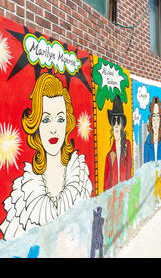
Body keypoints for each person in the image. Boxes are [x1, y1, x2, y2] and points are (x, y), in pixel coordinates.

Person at [0, 73, 92, 240]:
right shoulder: (23, 194)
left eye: (60, 119)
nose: (54, 129)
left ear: (67, 124)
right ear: (35, 124)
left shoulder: (79, 175)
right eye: (46, 119)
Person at [103, 95, 132, 191]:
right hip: (113, 196)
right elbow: (106, 183)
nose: (115, 125)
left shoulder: (127, 146)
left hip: (125, 192)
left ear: (122, 125)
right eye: (113, 121)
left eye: (118, 121)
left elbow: (129, 171)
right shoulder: (110, 155)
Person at [144, 97, 161, 162]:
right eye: (154, 116)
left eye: (158, 116)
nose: (156, 120)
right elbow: (145, 165)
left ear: (160, 119)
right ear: (151, 118)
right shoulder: (147, 142)